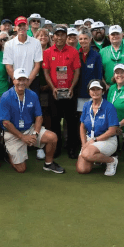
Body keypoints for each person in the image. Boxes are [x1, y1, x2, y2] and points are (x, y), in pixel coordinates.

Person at [0, 68, 62, 173]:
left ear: (28, 81)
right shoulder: (6, 97)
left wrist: (35, 134)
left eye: (24, 80)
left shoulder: (32, 95)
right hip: (13, 133)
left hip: (29, 129)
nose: (21, 83)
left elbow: (39, 117)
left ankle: (48, 164)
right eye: (19, 79)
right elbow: (6, 123)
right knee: (21, 169)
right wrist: (22, 137)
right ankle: (8, 151)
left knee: (53, 137)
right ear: (13, 80)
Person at [43, 26, 81, 158]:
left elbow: (77, 71)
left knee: (71, 121)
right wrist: (52, 88)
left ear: (66, 36)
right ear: (53, 37)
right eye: (57, 35)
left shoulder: (73, 51)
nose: (59, 38)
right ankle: (57, 148)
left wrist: (72, 87)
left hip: (70, 91)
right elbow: (46, 72)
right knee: (55, 121)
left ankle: (72, 148)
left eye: (62, 35)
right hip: (54, 92)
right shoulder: (47, 52)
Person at [76, 80, 120, 176]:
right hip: (90, 139)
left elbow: (112, 131)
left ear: (103, 91)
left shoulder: (109, 107)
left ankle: (111, 160)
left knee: (87, 154)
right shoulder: (86, 105)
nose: (95, 92)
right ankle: (96, 158)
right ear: (89, 91)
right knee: (82, 169)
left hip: (107, 140)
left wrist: (94, 141)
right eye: (92, 89)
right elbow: (82, 126)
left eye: (98, 89)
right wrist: (84, 144)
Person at [3, 16, 43, 93]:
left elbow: (37, 65)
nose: (22, 28)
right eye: (19, 26)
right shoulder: (9, 44)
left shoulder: (36, 43)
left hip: (32, 81)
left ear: (27, 26)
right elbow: (8, 66)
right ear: (15, 28)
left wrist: (28, 82)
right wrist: (17, 82)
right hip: (15, 82)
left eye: (24, 25)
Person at [76, 27, 103, 112]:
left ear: (90, 39)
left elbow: (99, 76)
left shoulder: (96, 55)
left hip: (93, 94)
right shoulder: (75, 55)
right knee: (82, 118)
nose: (83, 41)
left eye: (85, 38)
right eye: (80, 39)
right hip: (79, 93)